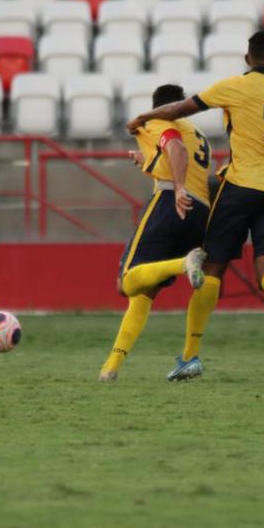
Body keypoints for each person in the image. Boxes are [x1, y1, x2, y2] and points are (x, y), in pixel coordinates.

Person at [126, 31, 264, 381]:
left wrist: (142, 118)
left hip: (240, 187)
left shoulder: (234, 86)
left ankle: (190, 356)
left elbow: (179, 109)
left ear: (247, 58)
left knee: (211, 269)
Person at [99, 85, 213, 382]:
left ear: (159, 107)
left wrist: (176, 189)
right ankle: (110, 368)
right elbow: (181, 156)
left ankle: (183, 263)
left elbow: (175, 148)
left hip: (171, 202)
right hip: (200, 212)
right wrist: (146, 162)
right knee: (144, 291)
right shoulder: (197, 131)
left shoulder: (155, 121)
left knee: (126, 282)